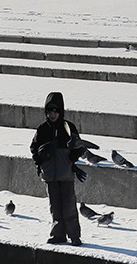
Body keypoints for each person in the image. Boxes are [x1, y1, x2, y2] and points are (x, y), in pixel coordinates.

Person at [30, 92, 85, 246]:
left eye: (55, 111)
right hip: (49, 175)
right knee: (55, 206)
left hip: (66, 173)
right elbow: (34, 148)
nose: (52, 114)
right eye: (49, 111)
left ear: (60, 111)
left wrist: (75, 152)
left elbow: (78, 148)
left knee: (69, 205)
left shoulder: (68, 127)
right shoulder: (42, 129)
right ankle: (58, 234)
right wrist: (39, 161)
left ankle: (74, 235)